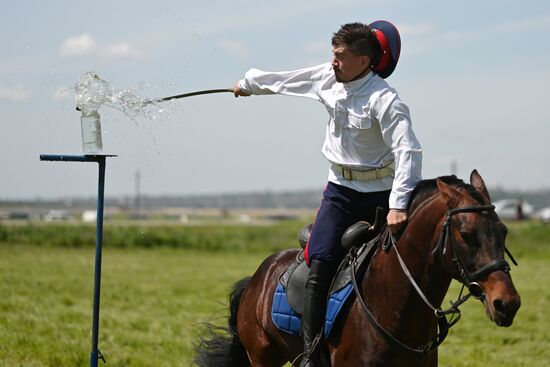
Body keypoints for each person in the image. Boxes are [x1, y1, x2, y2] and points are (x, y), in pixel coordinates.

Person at [233, 21, 422, 367]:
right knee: (319, 263)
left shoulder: (386, 100)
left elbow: (408, 151)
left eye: (340, 57)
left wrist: (397, 205)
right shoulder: (326, 77)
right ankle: (310, 353)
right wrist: (248, 85)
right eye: (332, 54)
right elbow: (286, 80)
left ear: (364, 61)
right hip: (340, 194)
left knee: (412, 265)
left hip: (381, 196)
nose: (332, 62)